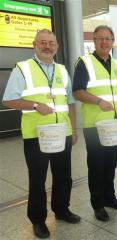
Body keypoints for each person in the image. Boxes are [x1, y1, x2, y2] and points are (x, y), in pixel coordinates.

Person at [2, 29, 80, 239]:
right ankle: (38, 220)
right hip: (36, 135)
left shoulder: (63, 71)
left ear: (57, 46)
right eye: (43, 42)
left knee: (64, 176)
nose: (47, 46)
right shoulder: (23, 69)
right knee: (37, 179)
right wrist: (36, 105)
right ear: (34, 44)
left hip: (61, 133)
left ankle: (62, 210)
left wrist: (72, 130)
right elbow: (8, 100)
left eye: (51, 43)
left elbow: (70, 103)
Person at [73, 25, 117, 221]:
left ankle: (109, 197)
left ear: (112, 42)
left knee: (110, 165)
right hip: (95, 126)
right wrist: (98, 101)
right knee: (97, 166)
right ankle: (97, 204)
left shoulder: (116, 64)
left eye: (109, 39)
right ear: (94, 40)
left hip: (114, 125)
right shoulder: (84, 62)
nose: (105, 42)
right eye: (101, 38)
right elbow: (77, 92)